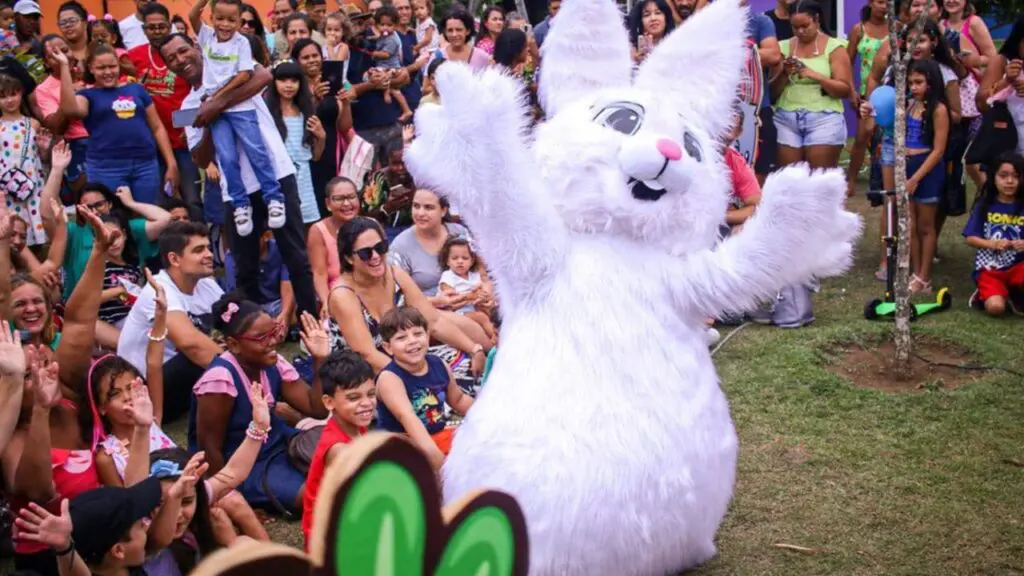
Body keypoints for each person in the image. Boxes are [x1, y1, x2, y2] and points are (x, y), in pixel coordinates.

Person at [161, 33, 318, 319]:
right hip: (235, 192)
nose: (180, 60)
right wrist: (208, 119)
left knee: (295, 256)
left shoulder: (231, 67)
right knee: (244, 267)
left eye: (183, 51)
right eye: (171, 58)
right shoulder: (187, 107)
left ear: (197, 47)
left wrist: (216, 103)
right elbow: (200, 157)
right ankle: (252, 334)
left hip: (276, 176)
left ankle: (313, 326)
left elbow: (263, 76)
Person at [189, 298, 330, 516]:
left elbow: (317, 408)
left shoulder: (273, 363)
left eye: (273, 331)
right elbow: (209, 448)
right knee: (316, 496)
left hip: (282, 443)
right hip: (244, 464)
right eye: (261, 338)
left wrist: (320, 359)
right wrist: (231, 500)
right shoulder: (220, 379)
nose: (272, 341)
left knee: (343, 463)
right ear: (234, 344)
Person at [189, 0, 285, 237]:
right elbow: (192, 15)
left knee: (256, 152)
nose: (225, 24)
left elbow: (245, 75)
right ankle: (240, 205)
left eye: (232, 20)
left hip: (240, 108)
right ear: (212, 18)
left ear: (239, 22)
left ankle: (274, 197)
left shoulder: (242, 42)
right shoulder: (207, 37)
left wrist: (217, 99)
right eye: (220, 18)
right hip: (218, 115)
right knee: (227, 158)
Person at [117, 221, 225, 421]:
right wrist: (244, 370)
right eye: (199, 250)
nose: (209, 254)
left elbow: (235, 323)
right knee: (198, 354)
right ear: (174, 259)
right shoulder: (157, 290)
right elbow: (190, 344)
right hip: (143, 391)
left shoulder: (207, 285)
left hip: (178, 380)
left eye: (209, 248)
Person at [54, 43, 178, 205]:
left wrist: (171, 163)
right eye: (101, 68)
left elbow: (157, 127)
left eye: (112, 66)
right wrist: (64, 67)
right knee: (113, 216)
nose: (107, 72)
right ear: (91, 68)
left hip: (145, 165)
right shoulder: (87, 95)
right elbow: (70, 110)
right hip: (106, 167)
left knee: (148, 214)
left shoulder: (136, 90)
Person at [125, 2, 203, 222]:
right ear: (143, 29)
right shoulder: (134, 57)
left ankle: (200, 247)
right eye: (152, 27)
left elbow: (197, 92)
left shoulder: (181, 53)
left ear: (169, 26)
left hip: (183, 141)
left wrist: (188, 127)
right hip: (151, 144)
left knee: (193, 199)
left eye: (162, 26)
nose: (157, 31)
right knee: (158, 202)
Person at [375, 306, 473, 470]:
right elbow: (409, 418)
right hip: (403, 446)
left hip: (438, 436)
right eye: (401, 338)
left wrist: (488, 415)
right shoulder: (390, 379)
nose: (412, 341)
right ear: (388, 348)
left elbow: (459, 399)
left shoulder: (437, 363)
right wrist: (438, 462)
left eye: (418, 334)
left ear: (428, 336)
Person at [14, 477, 166, 576]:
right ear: (118, 550)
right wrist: (65, 548)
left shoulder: (128, 566)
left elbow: (161, 539)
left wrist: (174, 497)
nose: (146, 528)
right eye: (140, 526)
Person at [300, 349, 375, 548]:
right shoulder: (339, 449)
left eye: (371, 394)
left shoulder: (354, 427)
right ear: (329, 402)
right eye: (354, 398)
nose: (366, 403)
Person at [770, 0, 852, 170]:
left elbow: (844, 89)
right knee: (790, 180)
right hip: (786, 118)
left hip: (824, 118)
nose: (800, 31)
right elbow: (771, 94)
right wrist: (785, 73)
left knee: (818, 180)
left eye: (805, 26)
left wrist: (814, 75)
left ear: (817, 20)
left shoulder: (835, 47)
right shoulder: (782, 47)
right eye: (795, 27)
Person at [264, 60, 325, 225]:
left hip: (303, 178)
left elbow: (315, 157)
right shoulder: (266, 114)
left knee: (305, 226)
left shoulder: (306, 111)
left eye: (294, 80)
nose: (289, 85)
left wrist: (321, 137)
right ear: (274, 82)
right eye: (283, 80)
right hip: (277, 179)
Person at [963, 153, 1024, 316]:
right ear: (993, 177)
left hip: (1019, 266)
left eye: (1016, 176)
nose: (1010, 181)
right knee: (996, 308)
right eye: (1003, 176)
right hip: (990, 268)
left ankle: (1013, 293)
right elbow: (970, 238)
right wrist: (993, 244)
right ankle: (985, 295)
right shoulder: (985, 205)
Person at [308, 176, 360, 311]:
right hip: (338, 298)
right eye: (339, 199)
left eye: (351, 197)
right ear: (327, 204)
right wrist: (327, 303)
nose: (347, 204)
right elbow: (319, 274)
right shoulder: (318, 230)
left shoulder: (371, 224)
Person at [437, 236, 496, 341]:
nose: (460, 261)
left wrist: (483, 297)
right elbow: (451, 300)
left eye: (465, 258)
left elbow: (483, 290)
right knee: (481, 317)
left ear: (472, 261)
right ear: (447, 261)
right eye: (455, 258)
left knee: (491, 311)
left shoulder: (475, 275)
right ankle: (495, 338)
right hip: (456, 313)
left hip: (474, 309)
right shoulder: (448, 276)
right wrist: (472, 297)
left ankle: (498, 333)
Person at [367, 6, 411, 122]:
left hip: (391, 67)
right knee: (395, 90)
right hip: (385, 66)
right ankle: (406, 110)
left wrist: (374, 53)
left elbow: (386, 55)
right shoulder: (384, 36)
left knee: (383, 79)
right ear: (377, 25)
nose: (385, 28)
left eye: (389, 25)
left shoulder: (392, 39)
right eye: (382, 25)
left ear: (395, 25)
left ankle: (387, 94)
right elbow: (380, 40)